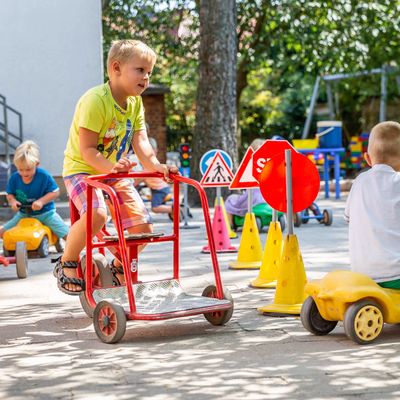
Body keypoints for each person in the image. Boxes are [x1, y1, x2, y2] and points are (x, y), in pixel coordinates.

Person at [57, 39, 178, 295]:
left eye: (149, 72)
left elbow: (141, 142)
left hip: (114, 172)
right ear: (116, 68)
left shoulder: (135, 104)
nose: (146, 78)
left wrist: (156, 165)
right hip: (83, 170)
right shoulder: (95, 101)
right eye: (140, 70)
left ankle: (118, 264)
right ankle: (67, 261)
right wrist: (111, 166)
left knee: (142, 228)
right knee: (97, 214)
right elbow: (88, 150)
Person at [344, 121, 400, 288]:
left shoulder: (359, 182)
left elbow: (348, 217)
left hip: (363, 274)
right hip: (396, 273)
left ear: (367, 158)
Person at [0, 141, 69, 245]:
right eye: (20, 169)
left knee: (67, 234)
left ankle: (62, 242)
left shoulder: (44, 176)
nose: (24, 173)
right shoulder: (14, 178)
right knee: (2, 232)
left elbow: (55, 192)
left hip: (46, 213)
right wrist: (13, 202)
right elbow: (10, 194)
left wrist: (41, 201)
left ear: (36, 164)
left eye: (28, 169)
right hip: (24, 214)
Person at [225, 138, 266, 226]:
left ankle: (230, 224)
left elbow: (242, 183)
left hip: (253, 199)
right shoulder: (270, 165)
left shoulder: (248, 164)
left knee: (230, 199)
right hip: (268, 199)